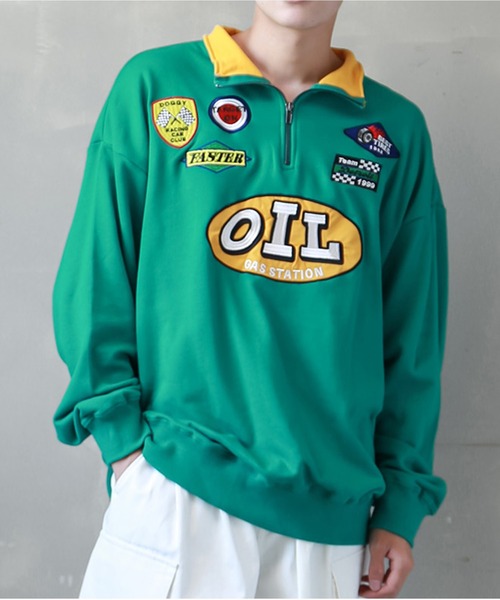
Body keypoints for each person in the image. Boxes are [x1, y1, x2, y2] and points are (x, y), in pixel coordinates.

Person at [53, 1, 448, 597]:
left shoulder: (396, 130)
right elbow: (96, 279)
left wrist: (400, 503)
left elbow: (412, 333)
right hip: (175, 489)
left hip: (331, 520)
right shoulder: (157, 86)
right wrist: (126, 449)